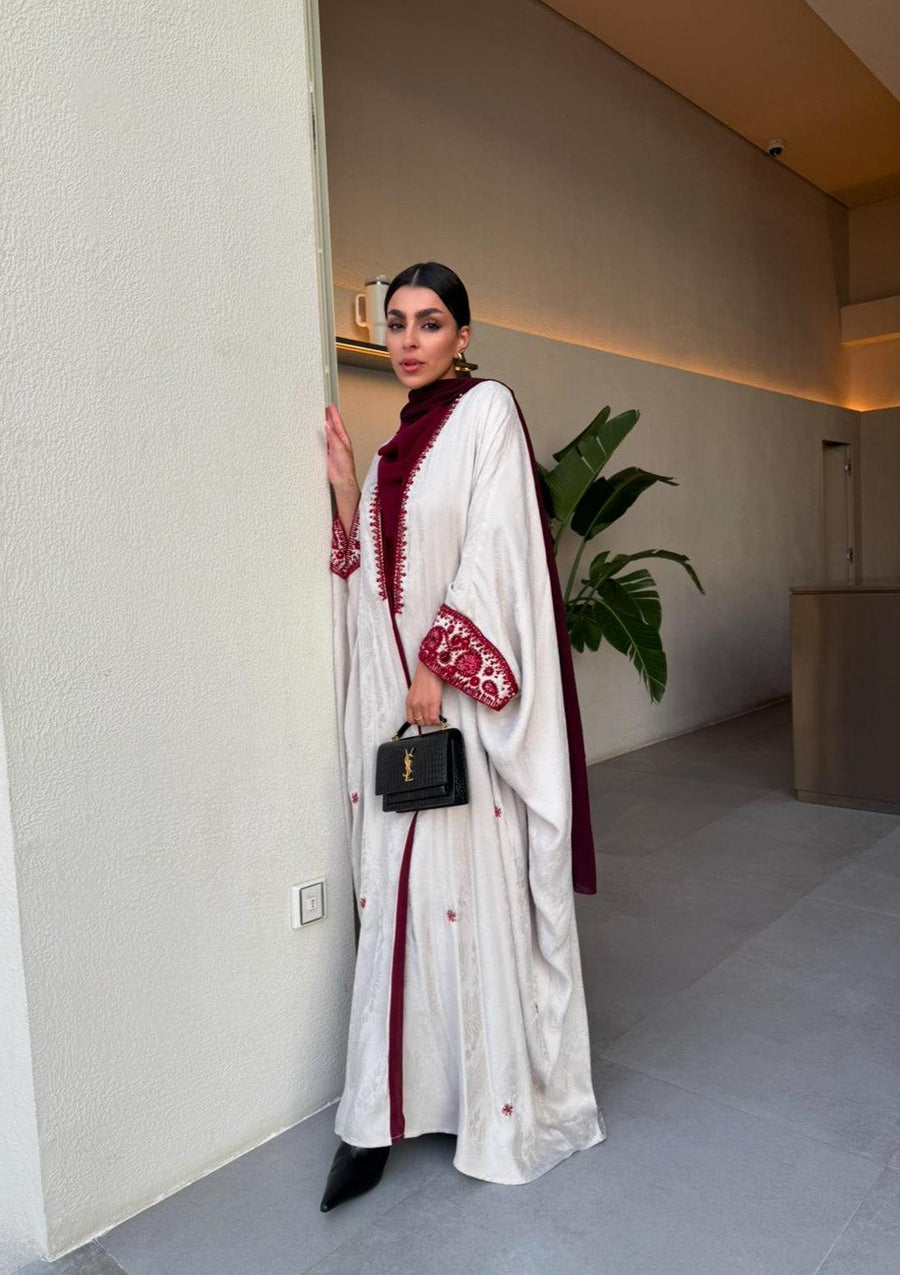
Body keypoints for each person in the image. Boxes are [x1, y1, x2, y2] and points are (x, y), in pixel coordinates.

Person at [321, 261, 606, 1212]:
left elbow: (495, 547)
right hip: (408, 731)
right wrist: (349, 492)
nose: (407, 339)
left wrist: (442, 664)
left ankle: (489, 1104)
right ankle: (382, 1109)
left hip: (462, 725)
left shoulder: (486, 412)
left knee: (465, 906)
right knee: (399, 905)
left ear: (463, 336)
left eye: (429, 322)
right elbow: (375, 589)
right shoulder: (397, 445)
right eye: (396, 322)